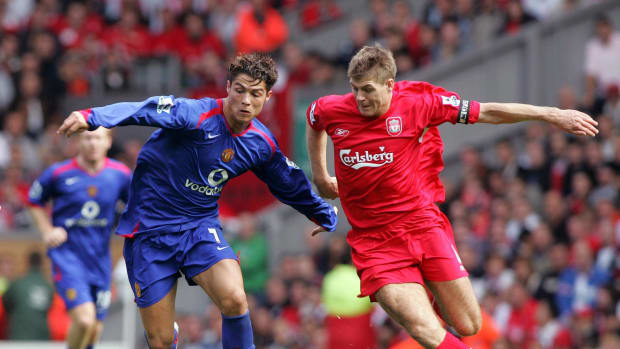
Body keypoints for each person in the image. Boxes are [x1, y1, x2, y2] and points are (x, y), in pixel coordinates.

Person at [305, 44, 598, 349]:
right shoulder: (332, 108)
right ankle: (410, 293)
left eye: (366, 89)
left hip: (423, 226)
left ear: (389, 84)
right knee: (424, 329)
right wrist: (321, 176)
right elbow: (315, 124)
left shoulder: (420, 103)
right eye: (354, 89)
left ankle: (424, 287)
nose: (359, 98)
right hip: (376, 242)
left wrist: (551, 114)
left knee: (469, 324)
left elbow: (487, 111)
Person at [57, 53, 338, 349]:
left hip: (198, 228)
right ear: (227, 86)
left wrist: (321, 213)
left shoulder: (260, 142)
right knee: (161, 341)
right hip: (149, 233)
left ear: (267, 97)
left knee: (234, 298)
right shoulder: (193, 114)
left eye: (255, 94)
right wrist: (91, 117)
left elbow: (287, 180)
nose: (245, 100)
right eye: (239, 89)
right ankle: (172, 336)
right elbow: (144, 109)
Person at [27, 127, 131, 349]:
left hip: (100, 261)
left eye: (98, 138)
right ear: (78, 142)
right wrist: (47, 231)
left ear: (108, 142)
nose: (92, 143)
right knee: (84, 320)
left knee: (94, 330)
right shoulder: (59, 173)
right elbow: (34, 201)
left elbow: (137, 207)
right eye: (87, 138)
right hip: (68, 256)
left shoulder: (120, 174)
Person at [2, 251, 53, 340]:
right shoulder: (48, 286)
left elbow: (5, 304)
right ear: (42, 264)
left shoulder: (17, 284)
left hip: (19, 336)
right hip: (42, 337)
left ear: (27, 263)